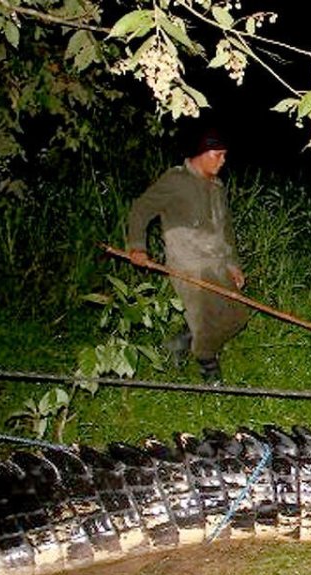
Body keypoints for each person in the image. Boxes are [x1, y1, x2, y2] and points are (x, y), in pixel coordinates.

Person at [125, 128, 249, 384]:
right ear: (202, 153)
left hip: (217, 263)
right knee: (205, 320)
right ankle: (208, 367)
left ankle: (182, 340)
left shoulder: (217, 186)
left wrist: (233, 264)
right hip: (188, 264)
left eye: (225, 155)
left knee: (237, 317)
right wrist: (137, 246)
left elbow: (225, 229)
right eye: (218, 155)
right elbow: (141, 209)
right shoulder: (176, 180)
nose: (222, 161)